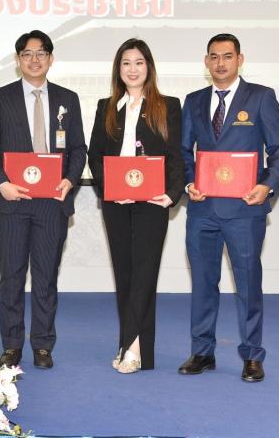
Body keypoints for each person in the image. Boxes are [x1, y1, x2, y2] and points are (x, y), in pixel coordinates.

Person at [178, 33, 279, 382]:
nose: (220, 63)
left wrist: (266, 186)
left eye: (227, 56)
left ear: (240, 60)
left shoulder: (261, 97)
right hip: (202, 210)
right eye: (214, 56)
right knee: (203, 284)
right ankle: (202, 351)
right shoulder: (193, 101)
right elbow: (182, 152)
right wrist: (189, 183)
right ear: (206, 61)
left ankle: (252, 355)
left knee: (248, 284)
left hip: (244, 211)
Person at [0, 30, 87, 369]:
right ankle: (12, 345)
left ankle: (42, 345)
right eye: (27, 54)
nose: (34, 59)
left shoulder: (68, 99)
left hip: (52, 202)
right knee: (11, 275)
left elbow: (78, 148)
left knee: (46, 276)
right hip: (12, 202)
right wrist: (1, 184)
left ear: (51, 59)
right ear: (18, 60)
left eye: (41, 53)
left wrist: (70, 179)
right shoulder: (0, 97)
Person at [87, 38, 184, 374]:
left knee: (144, 274)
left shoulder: (167, 106)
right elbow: (95, 156)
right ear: (118, 69)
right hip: (116, 203)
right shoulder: (106, 107)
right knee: (125, 273)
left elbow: (176, 155)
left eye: (139, 62)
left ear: (149, 67)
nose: (132, 69)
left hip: (152, 202)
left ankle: (132, 348)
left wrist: (172, 194)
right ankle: (134, 346)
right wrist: (109, 189)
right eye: (126, 63)